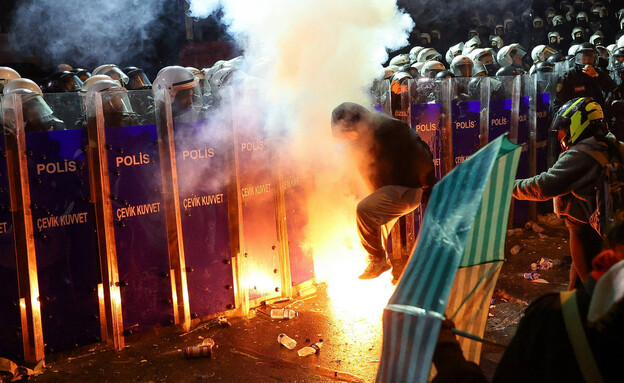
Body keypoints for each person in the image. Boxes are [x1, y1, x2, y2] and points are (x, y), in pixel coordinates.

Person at [512, 97, 617, 289]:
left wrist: (508, 186)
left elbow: (544, 186)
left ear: (578, 124)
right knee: (578, 286)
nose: (561, 139)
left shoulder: (582, 153)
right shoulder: (611, 144)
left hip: (585, 230)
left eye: (562, 132)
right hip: (602, 227)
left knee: (592, 291)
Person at [330, 102, 436, 280]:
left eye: (348, 133)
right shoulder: (361, 140)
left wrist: (428, 185)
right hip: (391, 190)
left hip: (407, 187)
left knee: (364, 211)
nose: (347, 138)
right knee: (371, 228)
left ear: (358, 122)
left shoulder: (390, 129)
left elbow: (421, 153)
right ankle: (386, 268)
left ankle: (378, 260)